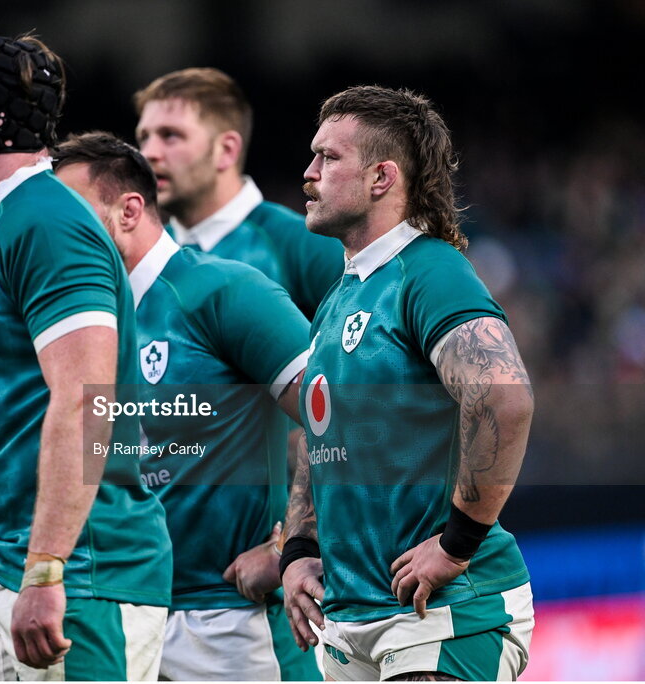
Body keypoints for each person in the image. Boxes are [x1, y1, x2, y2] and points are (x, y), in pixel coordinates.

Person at [0, 29, 172, 680]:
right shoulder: (7, 221)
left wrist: (46, 572)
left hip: (82, 574)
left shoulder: (44, 220)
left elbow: (88, 399)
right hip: (37, 572)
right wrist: (6, 590)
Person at [279, 85, 535, 681]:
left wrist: (456, 544)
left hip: (444, 614)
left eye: (328, 158)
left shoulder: (430, 272)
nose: (309, 173)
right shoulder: (338, 297)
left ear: (381, 177)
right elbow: (320, 435)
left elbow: (505, 398)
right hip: (351, 622)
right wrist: (299, 550)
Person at [54, 131, 322, 681]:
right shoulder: (85, 329)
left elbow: (345, 419)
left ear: (130, 210)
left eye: (70, 216)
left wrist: (293, 546)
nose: (53, 237)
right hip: (120, 611)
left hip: (227, 624)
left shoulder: (223, 291)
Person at [134, 67, 344, 322]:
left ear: (226, 150)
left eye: (170, 136)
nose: (148, 153)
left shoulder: (304, 245)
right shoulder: (143, 254)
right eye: (144, 137)